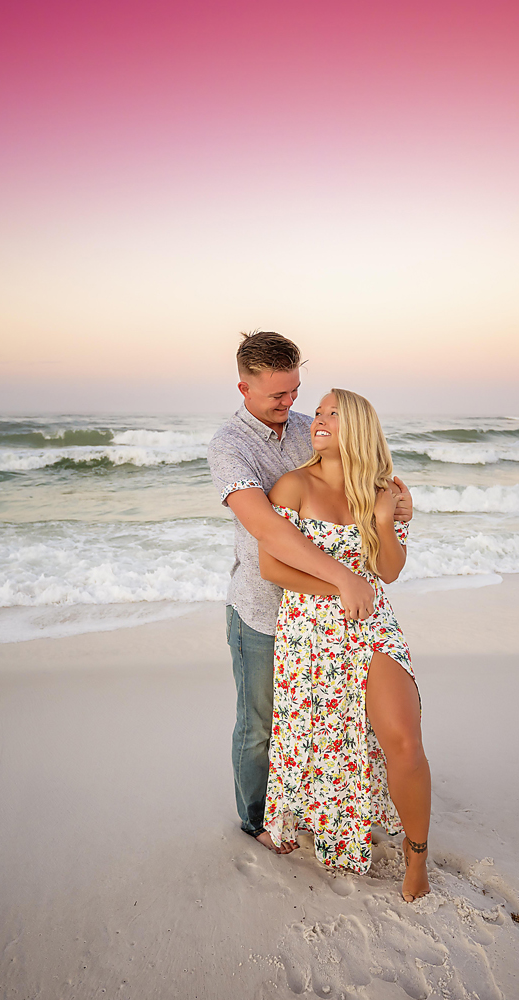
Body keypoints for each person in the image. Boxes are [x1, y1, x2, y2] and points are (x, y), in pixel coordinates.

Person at [207, 332, 413, 857]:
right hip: (263, 608)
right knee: (261, 726)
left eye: (295, 390)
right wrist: (343, 580)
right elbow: (270, 534)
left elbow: (365, 470)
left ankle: (328, 806)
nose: (290, 404)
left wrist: (400, 504)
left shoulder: (309, 427)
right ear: (244, 388)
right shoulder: (230, 447)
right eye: (278, 395)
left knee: (323, 722)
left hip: (326, 620)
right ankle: (258, 819)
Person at [259, 388, 431, 902]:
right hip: (310, 629)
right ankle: (318, 820)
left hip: (372, 625)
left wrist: (383, 518)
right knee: (319, 739)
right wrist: (340, 585)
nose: (319, 418)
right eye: (319, 411)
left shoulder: (381, 489)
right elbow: (273, 567)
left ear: (356, 427)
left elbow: (389, 572)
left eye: (334, 412)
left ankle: (417, 854)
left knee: (402, 737)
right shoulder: (292, 486)